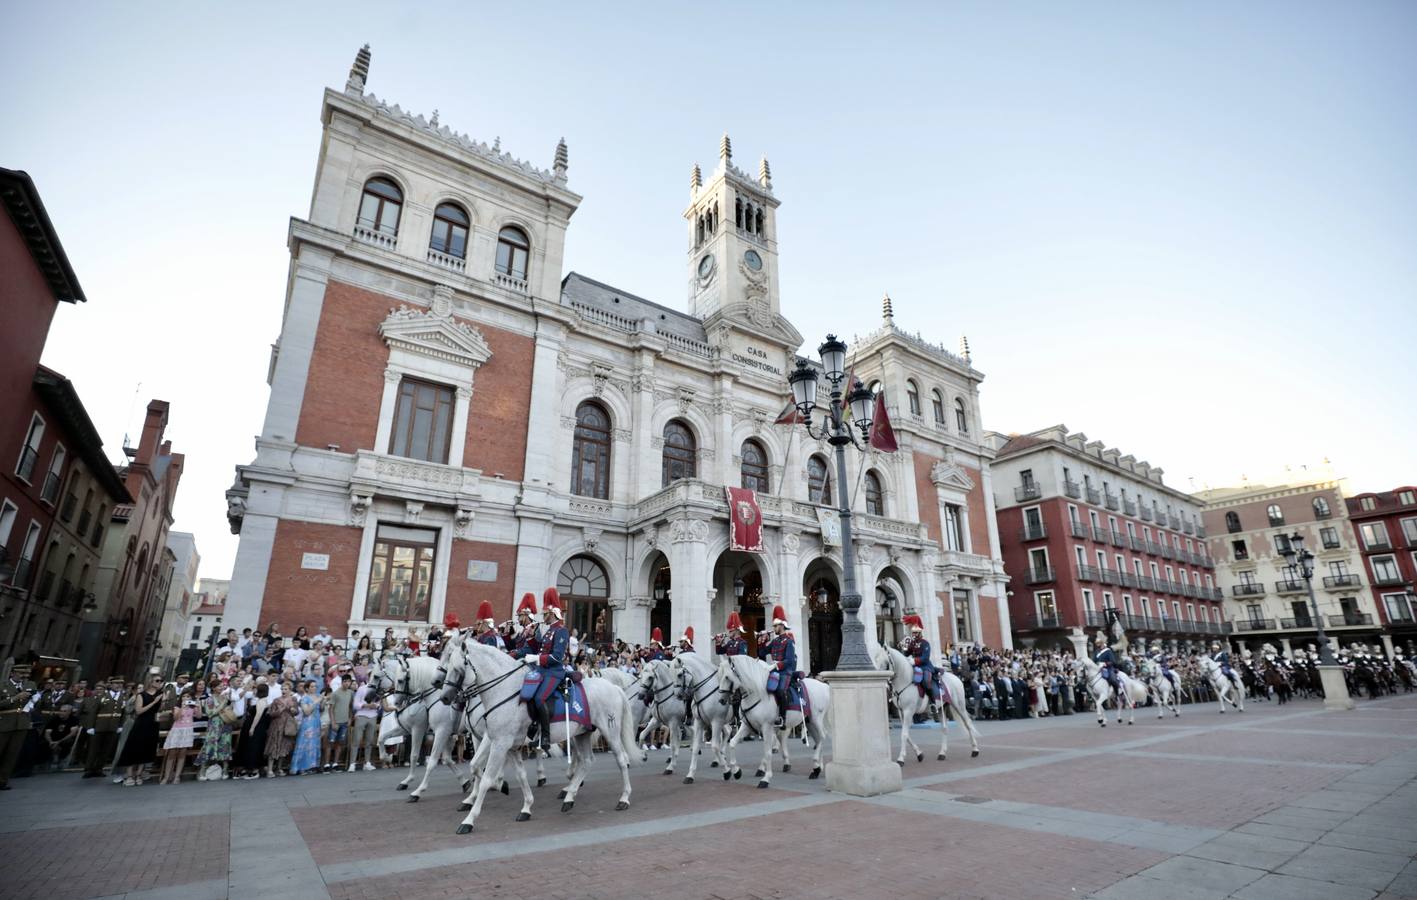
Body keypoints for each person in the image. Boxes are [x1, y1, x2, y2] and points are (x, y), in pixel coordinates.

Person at [528, 587, 570, 752]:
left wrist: (537, 658)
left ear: (552, 613)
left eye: (545, 613)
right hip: (542, 670)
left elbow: (556, 657)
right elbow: (541, 648)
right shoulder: (549, 631)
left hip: (554, 672)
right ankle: (533, 726)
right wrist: (533, 636)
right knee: (527, 694)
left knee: (539, 699)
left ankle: (545, 736)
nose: (543, 616)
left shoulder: (561, 631)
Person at [117, 672, 164, 786]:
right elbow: (139, 711)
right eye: (157, 680)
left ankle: (139, 774)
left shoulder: (160, 694)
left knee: (146, 749)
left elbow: (160, 709)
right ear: (151, 682)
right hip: (142, 722)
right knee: (134, 748)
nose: (159, 683)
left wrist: (162, 701)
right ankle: (129, 775)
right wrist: (155, 701)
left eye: (161, 681)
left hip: (152, 723)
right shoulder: (141, 695)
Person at [757, 605, 796, 727]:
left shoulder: (789, 641)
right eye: (773, 625)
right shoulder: (775, 641)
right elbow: (762, 653)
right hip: (774, 671)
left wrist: (776, 665)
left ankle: (782, 718)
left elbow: (789, 661)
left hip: (785, 672)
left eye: (775, 625)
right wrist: (762, 640)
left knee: (779, 690)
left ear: (782, 625)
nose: (773, 628)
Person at [80, 676, 126, 779]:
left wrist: (120, 725)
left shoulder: (123, 697)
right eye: (116, 683)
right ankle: (89, 769)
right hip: (100, 726)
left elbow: (123, 713)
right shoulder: (102, 696)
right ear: (110, 685)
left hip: (113, 726)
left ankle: (99, 768)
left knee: (106, 749)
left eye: (121, 684)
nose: (119, 685)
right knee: (94, 749)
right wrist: (90, 727)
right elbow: (93, 712)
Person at [0, 664, 35, 790]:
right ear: (12, 673)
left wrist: (35, 700)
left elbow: (34, 702)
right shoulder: (3, 685)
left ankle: (3, 780)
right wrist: (14, 698)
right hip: (4, 723)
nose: (23, 676)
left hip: (21, 724)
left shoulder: (29, 686)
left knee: (12, 754)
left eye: (25, 674)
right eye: (20, 673)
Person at [195, 675, 235, 779]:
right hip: (214, 725)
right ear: (213, 688)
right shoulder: (209, 699)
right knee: (209, 747)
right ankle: (202, 771)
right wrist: (222, 705)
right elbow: (210, 713)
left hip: (226, 725)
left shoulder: (225, 697)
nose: (221, 688)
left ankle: (225, 770)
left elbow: (228, 710)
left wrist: (228, 705)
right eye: (219, 686)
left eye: (222, 686)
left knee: (225, 746)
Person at [900, 615, 939, 716]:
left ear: (920, 632)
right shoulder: (912, 643)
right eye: (913, 633)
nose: (914, 634)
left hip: (925, 666)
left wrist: (914, 661)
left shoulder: (925, 643)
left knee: (926, 681)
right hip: (914, 667)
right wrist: (904, 648)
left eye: (916, 632)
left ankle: (933, 703)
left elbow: (925, 658)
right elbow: (907, 653)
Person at [160, 686, 197, 784]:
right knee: (171, 754)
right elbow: (176, 718)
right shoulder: (177, 707)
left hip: (187, 730)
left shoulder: (192, 707)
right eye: (184, 696)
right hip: (177, 730)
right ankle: (166, 776)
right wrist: (182, 708)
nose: (186, 698)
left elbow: (199, 715)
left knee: (182, 754)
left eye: (188, 696)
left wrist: (198, 706)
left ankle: (177, 776)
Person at [235, 683, 271, 779]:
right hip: (254, 726)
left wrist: (252, 728)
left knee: (253, 747)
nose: (253, 691)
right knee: (249, 746)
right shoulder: (261, 700)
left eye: (255, 689)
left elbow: (258, 715)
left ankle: (254, 769)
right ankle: (247, 769)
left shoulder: (261, 701)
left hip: (256, 727)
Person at [291, 680, 322, 774]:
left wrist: (323, 701)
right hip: (308, 723)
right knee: (305, 744)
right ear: (307, 688)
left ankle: (311, 766)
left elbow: (321, 709)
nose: (314, 688)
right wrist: (316, 702)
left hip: (316, 722)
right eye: (312, 686)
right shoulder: (305, 698)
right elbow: (306, 711)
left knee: (313, 744)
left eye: (315, 686)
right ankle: (300, 767)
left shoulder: (317, 696)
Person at [349, 678, 380, 771]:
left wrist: (376, 706)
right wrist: (366, 705)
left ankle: (367, 762)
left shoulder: (378, 690)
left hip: (373, 716)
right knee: (356, 740)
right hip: (361, 715)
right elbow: (355, 704)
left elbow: (379, 704)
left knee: (370, 741)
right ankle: (352, 763)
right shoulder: (362, 688)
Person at [324, 674, 353, 772]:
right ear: (342, 682)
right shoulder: (335, 693)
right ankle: (327, 764)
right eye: (345, 681)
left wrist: (350, 718)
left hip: (344, 722)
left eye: (348, 682)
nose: (347, 683)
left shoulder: (350, 693)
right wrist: (333, 722)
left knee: (340, 743)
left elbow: (350, 706)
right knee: (330, 743)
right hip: (336, 722)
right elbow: (330, 709)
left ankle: (335, 763)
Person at [510, 592, 540, 659]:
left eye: (520, 616)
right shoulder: (524, 630)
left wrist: (514, 654)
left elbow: (529, 650)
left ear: (526, 616)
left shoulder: (534, 629)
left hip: (529, 661)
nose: (518, 619)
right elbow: (515, 645)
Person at [1094, 632, 1123, 698]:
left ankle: (1118, 690)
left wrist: (1105, 664)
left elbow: (1112, 661)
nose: (1098, 645)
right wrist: (1097, 663)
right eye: (1097, 643)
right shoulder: (1096, 652)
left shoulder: (1108, 651)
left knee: (1112, 679)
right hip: (1099, 668)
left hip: (1108, 668)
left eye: (1099, 643)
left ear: (1102, 643)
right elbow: (1094, 661)